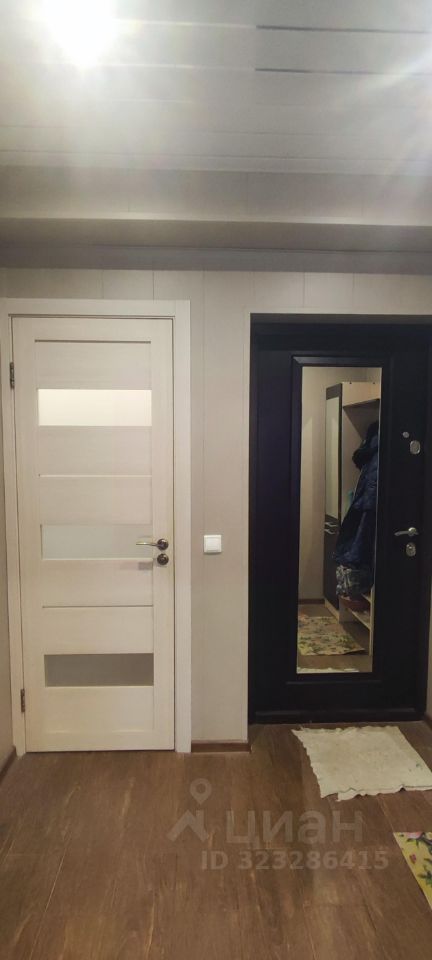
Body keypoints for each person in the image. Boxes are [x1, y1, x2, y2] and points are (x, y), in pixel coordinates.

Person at [334, 421, 379, 609]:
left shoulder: (377, 446)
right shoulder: (377, 444)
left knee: (360, 547)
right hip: (366, 506)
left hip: (368, 507)